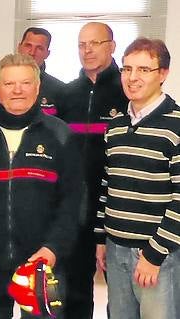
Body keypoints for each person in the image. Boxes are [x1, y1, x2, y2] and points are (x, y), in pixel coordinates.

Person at [0, 53, 84, 318]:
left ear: (37, 88)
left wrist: (54, 248)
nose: (17, 90)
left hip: (43, 260)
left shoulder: (60, 135)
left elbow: (73, 200)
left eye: (25, 83)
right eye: (10, 84)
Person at [95, 37, 179, 319]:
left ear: (163, 74)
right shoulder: (116, 127)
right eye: (126, 69)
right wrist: (101, 239)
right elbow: (108, 186)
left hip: (158, 256)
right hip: (115, 248)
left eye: (144, 69)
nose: (132, 78)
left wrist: (154, 255)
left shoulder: (175, 127)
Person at [59, 22, 129, 318]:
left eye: (94, 43)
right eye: (81, 45)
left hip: (115, 207)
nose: (87, 50)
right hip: (74, 208)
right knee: (74, 289)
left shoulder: (127, 92)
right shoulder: (66, 95)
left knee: (123, 294)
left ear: (112, 47)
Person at [17, 27, 66, 116]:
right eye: (28, 46)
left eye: (39, 48)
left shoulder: (60, 90)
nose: (32, 52)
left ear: (47, 54)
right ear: (19, 47)